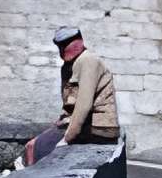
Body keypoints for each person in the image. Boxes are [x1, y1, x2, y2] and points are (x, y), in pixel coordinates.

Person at [22, 25, 119, 164]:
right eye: (59, 46)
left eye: (66, 44)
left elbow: (84, 105)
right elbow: (68, 106)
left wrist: (66, 139)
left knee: (37, 151)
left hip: (98, 129)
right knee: (31, 147)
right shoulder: (67, 67)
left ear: (79, 42)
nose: (62, 50)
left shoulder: (88, 60)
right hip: (81, 127)